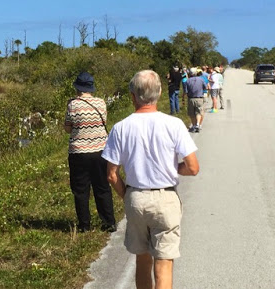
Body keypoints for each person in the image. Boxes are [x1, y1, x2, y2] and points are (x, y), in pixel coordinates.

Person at [102, 70, 199, 289]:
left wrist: (127, 195)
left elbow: (111, 174)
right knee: (164, 264)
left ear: (132, 96)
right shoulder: (174, 125)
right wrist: (172, 167)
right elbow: (193, 168)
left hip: (135, 197)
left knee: (142, 259)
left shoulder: (120, 128)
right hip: (165, 198)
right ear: (159, 92)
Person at [64, 72, 116, 233]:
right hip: (100, 150)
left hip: (79, 152)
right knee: (102, 187)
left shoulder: (72, 105)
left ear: (77, 87)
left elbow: (68, 128)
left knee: (80, 190)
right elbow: (104, 122)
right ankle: (109, 222)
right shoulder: (101, 103)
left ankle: (84, 225)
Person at [185, 68, 207, 133]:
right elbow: (205, 87)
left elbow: (186, 91)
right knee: (199, 112)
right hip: (199, 98)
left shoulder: (187, 81)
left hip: (191, 98)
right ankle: (197, 124)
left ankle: (194, 125)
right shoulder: (201, 79)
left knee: (192, 113)